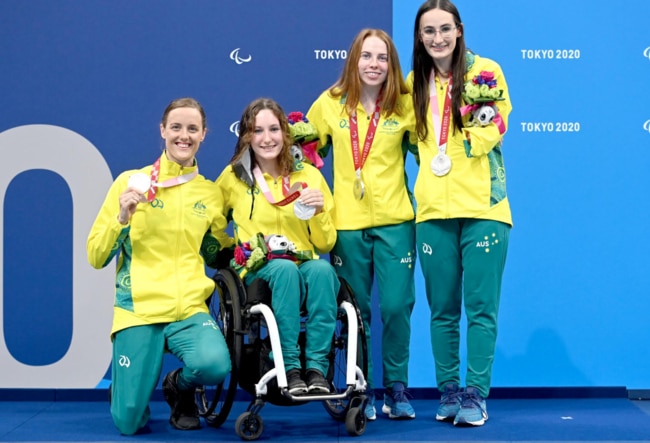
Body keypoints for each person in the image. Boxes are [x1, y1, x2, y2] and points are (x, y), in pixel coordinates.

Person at [87, 97, 234, 434]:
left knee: (214, 365)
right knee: (128, 423)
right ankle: (129, 389)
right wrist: (122, 218)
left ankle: (178, 388)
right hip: (139, 309)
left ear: (204, 134)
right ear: (163, 130)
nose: (184, 135)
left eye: (192, 129)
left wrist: (249, 249)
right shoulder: (130, 182)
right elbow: (96, 256)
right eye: (177, 127)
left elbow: (214, 252)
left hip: (188, 311)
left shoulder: (210, 194)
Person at [408, 0, 513, 427]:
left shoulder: (486, 71)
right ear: (419, 36)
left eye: (444, 29)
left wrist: (468, 135)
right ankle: (449, 391)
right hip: (433, 211)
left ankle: (476, 394)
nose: (437, 38)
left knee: (481, 309)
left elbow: (497, 123)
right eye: (428, 30)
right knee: (442, 310)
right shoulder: (415, 82)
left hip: (485, 207)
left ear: (459, 30)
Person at [307, 28, 418, 421]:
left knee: (397, 306)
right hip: (347, 225)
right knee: (357, 311)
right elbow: (306, 156)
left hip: (396, 223)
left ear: (392, 64)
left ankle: (398, 388)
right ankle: (361, 387)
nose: (374, 65)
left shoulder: (405, 106)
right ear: (354, 60)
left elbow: (432, 152)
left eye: (382, 57)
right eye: (366, 56)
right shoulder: (330, 103)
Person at [214, 97, 339, 395]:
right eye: (258, 131)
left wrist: (320, 213)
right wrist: (238, 251)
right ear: (246, 136)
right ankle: (290, 365)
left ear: (285, 132)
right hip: (262, 271)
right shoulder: (234, 178)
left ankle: (317, 368)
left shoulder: (309, 176)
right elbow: (213, 225)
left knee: (322, 271)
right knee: (284, 271)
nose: (267, 138)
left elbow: (325, 243)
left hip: (304, 264)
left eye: (274, 129)